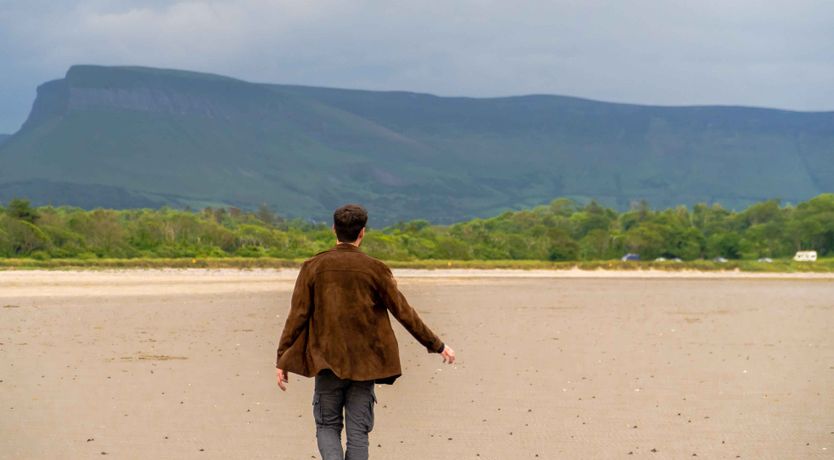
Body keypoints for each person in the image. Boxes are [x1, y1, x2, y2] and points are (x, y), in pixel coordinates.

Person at [275, 203, 455, 460]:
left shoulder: (313, 266)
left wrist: (282, 358)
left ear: (334, 229)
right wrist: (438, 345)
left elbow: (297, 315)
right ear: (362, 232)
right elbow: (404, 312)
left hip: (326, 361)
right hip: (365, 364)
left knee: (327, 426)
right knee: (358, 432)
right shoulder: (375, 269)